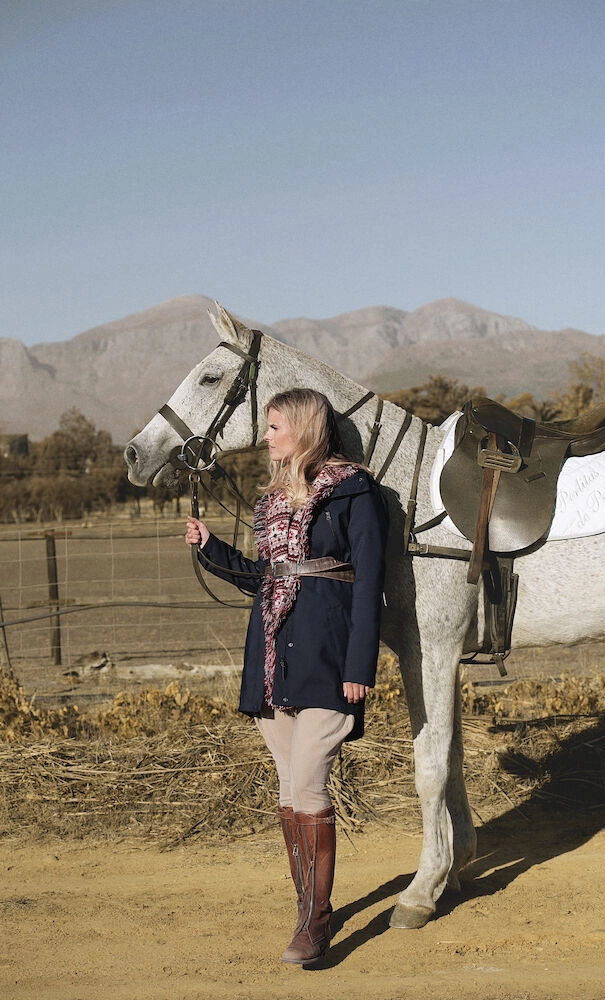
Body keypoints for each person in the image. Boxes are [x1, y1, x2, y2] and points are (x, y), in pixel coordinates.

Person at [185, 387, 388, 965]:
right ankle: (306, 908)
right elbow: (265, 579)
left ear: (303, 429)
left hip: (329, 661)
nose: (267, 437)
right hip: (272, 660)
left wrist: (359, 666)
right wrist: (210, 549)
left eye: (275, 427)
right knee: (286, 791)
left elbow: (370, 584)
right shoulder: (272, 501)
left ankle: (318, 924)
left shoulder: (354, 491)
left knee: (309, 787)